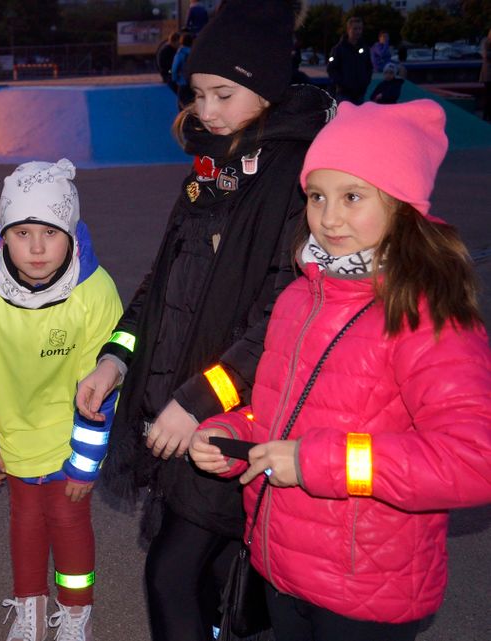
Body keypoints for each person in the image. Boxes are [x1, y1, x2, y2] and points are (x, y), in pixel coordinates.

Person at [73, 2, 336, 640]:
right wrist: (117, 357)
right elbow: (159, 286)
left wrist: (196, 401)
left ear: (269, 90)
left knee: (171, 575)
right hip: (181, 415)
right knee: (214, 578)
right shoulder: (210, 172)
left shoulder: (294, 183)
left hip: (234, 418)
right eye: (197, 93)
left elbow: (279, 321)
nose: (206, 111)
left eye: (224, 94)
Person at [189, 99, 491, 641]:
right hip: (284, 569)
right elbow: (287, 411)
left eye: (353, 197)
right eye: (316, 196)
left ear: (402, 204)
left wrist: (317, 462)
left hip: (367, 591)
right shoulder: (298, 300)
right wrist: (236, 435)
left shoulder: (424, 312)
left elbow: (474, 459)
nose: (328, 218)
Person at [0, 159, 122, 641]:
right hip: (11, 433)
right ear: (2, 233)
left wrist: (86, 462)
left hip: (69, 433)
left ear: (71, 234)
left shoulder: (94, 292)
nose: (35, 248)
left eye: (49, 234)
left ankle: (75, 611)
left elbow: (99, 391)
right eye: (21, 231)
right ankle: (28, 606)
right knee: (26, 521)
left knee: (69, 520)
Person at [327, 17, 371, 105]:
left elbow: (369, 67)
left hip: (359, 94)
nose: (358, 31)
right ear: (348, 29)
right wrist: (342, 84)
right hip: (343, 94)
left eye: (360, 29)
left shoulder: (365, 48)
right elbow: (331, 69)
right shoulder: (338, 49)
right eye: (355, 29)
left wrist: (364, 83)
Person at [171, 32, 195, 108]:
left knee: (182, 106)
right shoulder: (195, 52)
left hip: (183, 83)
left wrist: (174, 79)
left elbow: (175, 68)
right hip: (193, 84)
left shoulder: (180, 53)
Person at [481, 27, 491, 121]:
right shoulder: (486, 43)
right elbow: (485, 55)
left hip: (488, 74)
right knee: (488, 95)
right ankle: (486, 115)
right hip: (488, 75)